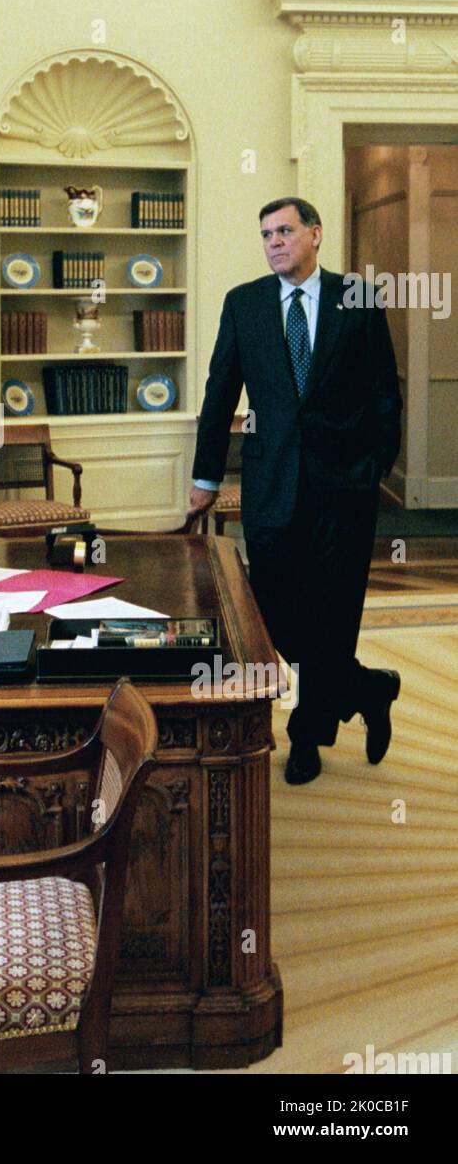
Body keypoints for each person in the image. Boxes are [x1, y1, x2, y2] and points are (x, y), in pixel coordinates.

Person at [188, 197, 402, 786]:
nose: (274, 242)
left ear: (315, 234)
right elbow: (219, 394)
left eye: (285, 231)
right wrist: (205, 477)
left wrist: (375, 467)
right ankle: (368, 687)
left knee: (333, 614)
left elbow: (385, 390)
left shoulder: (356, 299)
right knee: (275, 614)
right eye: (265, 235)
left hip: (345, 490)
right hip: (272, 484)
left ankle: (307, 734)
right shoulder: (245, 303)